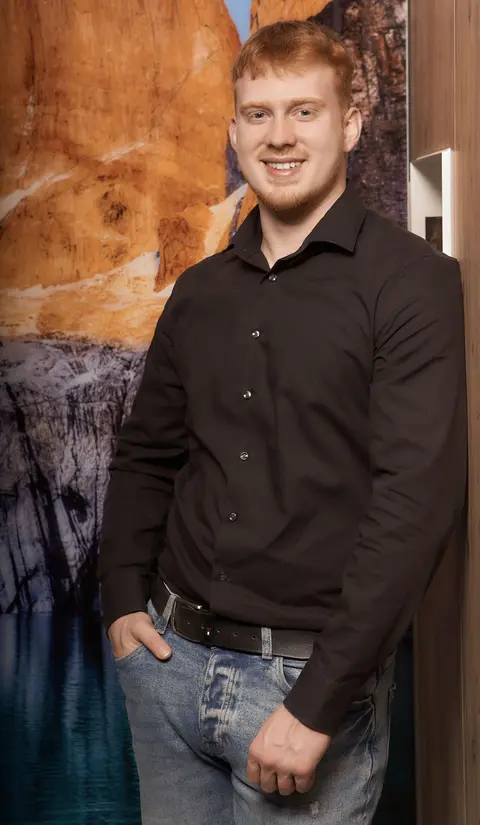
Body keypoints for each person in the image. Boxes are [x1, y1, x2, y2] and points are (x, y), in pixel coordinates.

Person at [98, 19, 467, 825]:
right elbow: (146, 455)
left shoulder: (413, 284)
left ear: (351, 124)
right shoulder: (198, 291)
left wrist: (317, 704)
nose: (280, 136)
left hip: (303, 692)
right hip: (167, 667)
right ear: (234, 133)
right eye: (259, 114)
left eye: (305, 111)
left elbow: (415, 506)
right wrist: (123, 602)